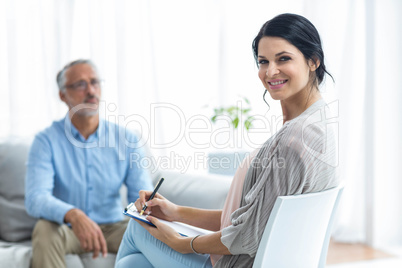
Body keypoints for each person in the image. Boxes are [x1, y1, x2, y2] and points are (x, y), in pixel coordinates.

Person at [115, 13, 340, 268]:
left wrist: (182, 242)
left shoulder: (293, 141)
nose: (270, 71)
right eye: (263, 61)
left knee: (137, 231)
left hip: (237, 264)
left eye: (283, 58)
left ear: (313, 61)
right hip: (259, 258)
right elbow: (255, 219)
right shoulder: (319, 123)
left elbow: (247, 236)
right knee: (132, 264)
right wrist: (176, 212)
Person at [25, 59, 153, 268]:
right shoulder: (45, 140)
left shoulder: (127, 139)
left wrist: (145, 208)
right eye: (80, 84)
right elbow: (36, 198)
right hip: (68, 230)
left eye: (94, 82)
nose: (91, 90)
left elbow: (139, 197)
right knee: (44, 228)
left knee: (152, 233)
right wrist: (73, 214)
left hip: (115, 228)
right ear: (62, 95)